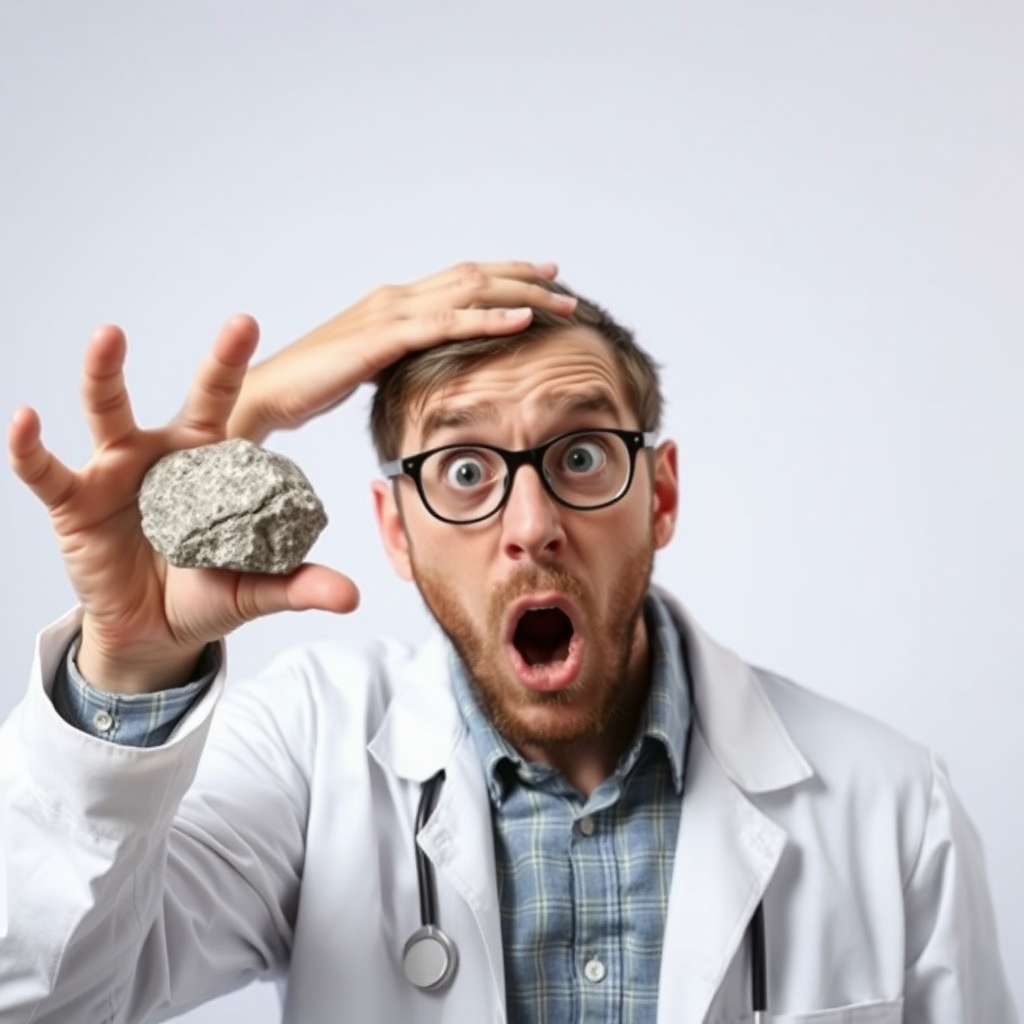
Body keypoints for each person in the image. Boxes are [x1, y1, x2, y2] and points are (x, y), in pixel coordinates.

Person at [0, 260, 1016, 1024]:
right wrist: (128, 663)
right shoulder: (309, 755)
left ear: (658, 496)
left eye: (579, 454)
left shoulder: (892, 807)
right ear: (395, 529)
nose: (531, 523)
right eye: (465, 470)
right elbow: (41, 988)